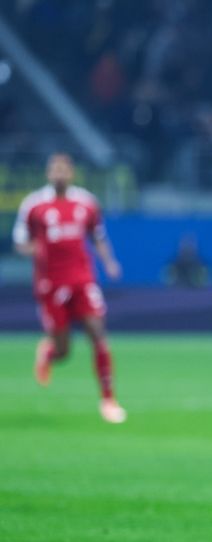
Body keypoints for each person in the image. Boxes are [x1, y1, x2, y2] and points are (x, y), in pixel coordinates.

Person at [12, 152, 126, 424]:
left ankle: (108, 400)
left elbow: (98, 237)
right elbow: (19, 242)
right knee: (64, 350)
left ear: (71, 173)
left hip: (82, 278)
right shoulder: (34, 206)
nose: (59, 174)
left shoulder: (86, 203)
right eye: (54, 169)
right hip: (50, 283)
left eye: (64, 169)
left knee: (98, 333)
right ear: (48, 173)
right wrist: (35, 249)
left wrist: (109, 262)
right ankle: (49, 352)